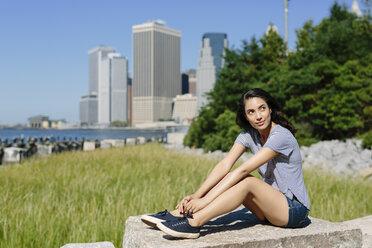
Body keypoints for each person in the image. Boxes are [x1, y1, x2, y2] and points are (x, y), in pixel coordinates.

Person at [141, 88, 310, 239]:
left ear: (270, 109)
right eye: (251, 112)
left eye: (262, 109)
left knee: (248, 181)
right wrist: (197, 195)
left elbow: (244, 169)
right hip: (268, 208)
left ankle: (194, 223)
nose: (258, 116)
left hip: (294, 210)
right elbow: (225, 164)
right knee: (232, 176)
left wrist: (205, 201)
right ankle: (179, 214)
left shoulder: (281, 135)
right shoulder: (249, 135)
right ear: (245, 116)